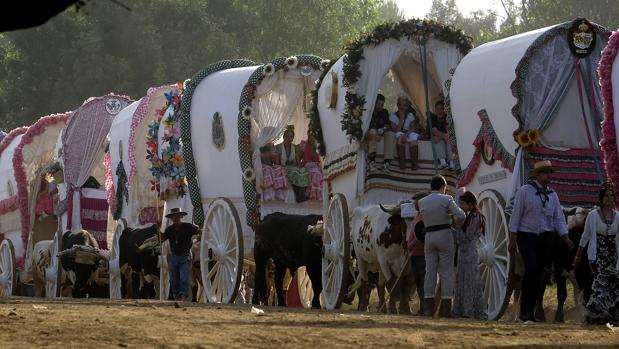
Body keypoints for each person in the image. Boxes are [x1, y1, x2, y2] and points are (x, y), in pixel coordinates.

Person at [508, 160, 573, 322]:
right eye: (545, 173)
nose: (548, 176)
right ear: (537, 175)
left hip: (546, 237)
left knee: (540, 275)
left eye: (550, 173)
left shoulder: (553, 195)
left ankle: (531, 311)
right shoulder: (525, 191)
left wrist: (565, 237)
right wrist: (512, 238)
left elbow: (558, 218)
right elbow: (516, 215)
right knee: (531, 269)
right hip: (527, 235)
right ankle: (524, 309)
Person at [418, 175, 466, 317]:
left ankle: (428, 309)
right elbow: (461, 215)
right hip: (445, 235)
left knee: (430, 272)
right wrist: (453, 221)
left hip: (429, 237)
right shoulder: (447, 199)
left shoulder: (422, 202)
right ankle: (445, 309)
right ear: (442, 187)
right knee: (446, 272)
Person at [574, 181, 619, 325]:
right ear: (601, 198)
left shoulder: (618, 216)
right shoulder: (593, 216)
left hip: (613, 255)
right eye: (606, 195)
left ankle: (612, 314)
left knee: (613, 283)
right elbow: (585, 236)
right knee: (600, 281)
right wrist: (578, 256)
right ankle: (594, 314)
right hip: (597, 255)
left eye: (611, 196)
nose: (609, 198)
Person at [453, 191, 486, 319]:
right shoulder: (470, 216)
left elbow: (467, 236)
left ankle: (469, 311)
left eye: (463, 204)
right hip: (465, 252)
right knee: (464, 281)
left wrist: (458, 227)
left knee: (469, 282)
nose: (461, 206)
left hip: (470, 252)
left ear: (470, 204)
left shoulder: (475, 217)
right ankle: (463, 310)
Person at [161, 207, 199, 301]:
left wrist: (202, 233)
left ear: (181, 217)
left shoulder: (188, 227)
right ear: (171, 218)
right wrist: (159, 232)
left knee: (183, 278)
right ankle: (176, 297)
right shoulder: (169, 230)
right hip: (174, 257)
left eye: (177, 216)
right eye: (173, 217)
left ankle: (182, 298)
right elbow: (161, 240)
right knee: (173, 280)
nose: (175, 219)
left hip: (185, 257)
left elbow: (198, 231)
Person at [406, 192, 428, 315]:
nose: (414, 203)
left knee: (424, 282)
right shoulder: (417, 216)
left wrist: (413, 243)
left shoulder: (424, 215)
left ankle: (426, 309)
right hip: (414, 254)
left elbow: (422, 234)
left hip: (421, 253)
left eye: (416, 201)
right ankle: (422, 308)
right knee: (418, 283)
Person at [388, 96, 423, 170]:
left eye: (404, 105)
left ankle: (414, 164)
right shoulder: (393, 115)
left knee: (413, 138)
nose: (402, 107)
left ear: (407, 106)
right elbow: (396, 130)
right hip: (398, 133)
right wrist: (401, 118)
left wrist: (406, 134)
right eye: (400, 105)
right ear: (397, 105)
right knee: (400, 137)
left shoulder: (410, 115)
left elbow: (413, 128)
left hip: (407, 133)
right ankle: (402, 164)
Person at [278, 127, 309, 202]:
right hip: (282, 168)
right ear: (283, 137)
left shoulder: (295, 147)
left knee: (304, 171)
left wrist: (298, 163)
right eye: (287, 136)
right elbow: (277, 162)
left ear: (293, 138)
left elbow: (297, 160)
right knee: (295, 171)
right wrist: (284, 164)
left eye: (291, 136)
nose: (289, 138)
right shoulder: (278, 147)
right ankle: (298, 195)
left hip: (293, 167)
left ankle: (301, 195)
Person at [366, 94, 390, 171]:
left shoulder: (384, 112)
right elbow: (366, 128)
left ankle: (386, 163)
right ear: (374, 103)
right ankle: (371, 162)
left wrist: (383, 130)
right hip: (371, 133)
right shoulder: (368, 112)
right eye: (378, 104)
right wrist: (374, 134)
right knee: (373, 131)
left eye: (382, 105)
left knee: (391, 134)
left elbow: (387, 125)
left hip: (381, 133)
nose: (380, 106)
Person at [299, 130, 323, 201]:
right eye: (310, 136)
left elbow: (318, 159)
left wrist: (314, 150)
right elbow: (299, 156)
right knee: (316, 174)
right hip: (308, 165)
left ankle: (320, 195)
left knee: (322, 173)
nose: (312, 138)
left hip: (317, 165)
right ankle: (313, 195)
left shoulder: (317, 146)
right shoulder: (304, 144)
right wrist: (298, 163)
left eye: (313, 136)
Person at [430, 100, 454, 170]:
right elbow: (434, 131)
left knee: (449, 139)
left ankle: (451, 163)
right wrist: (443, 136)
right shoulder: (432, 119)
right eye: (437, 109)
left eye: (441, 109)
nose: (439, 111)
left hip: (446, 138)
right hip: (440, 138)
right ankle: (443, 162)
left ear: (444, 110)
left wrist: (442, 136)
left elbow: (450, 131)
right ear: (435, 110)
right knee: (436, 139)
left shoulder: (447, 118)